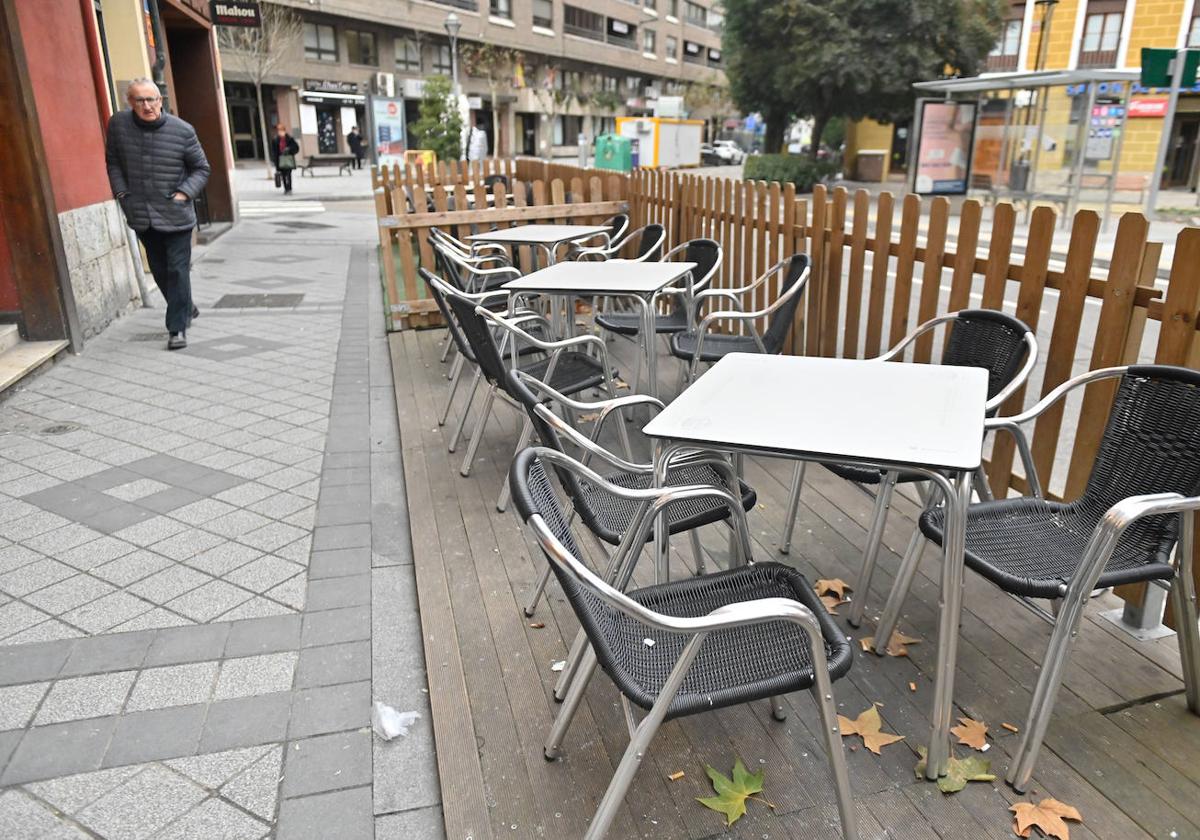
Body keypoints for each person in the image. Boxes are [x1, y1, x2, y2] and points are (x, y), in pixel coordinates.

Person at [105, 78, 209, 351]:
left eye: (152, 99)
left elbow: (201, 168)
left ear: (160, 101)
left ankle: (177, 329)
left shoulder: (183, 130)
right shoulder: (118, 125)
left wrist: (184, 194)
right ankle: (186, 306)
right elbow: (113, 161)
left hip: (175, 213)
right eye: (140, 100)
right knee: (161, 271)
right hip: (141, 213)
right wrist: (122, 194)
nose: (147, 106)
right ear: (131, 103)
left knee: (177, 269)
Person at [269, 124, 299, 194]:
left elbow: (296, 148)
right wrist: (274, 160)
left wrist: (289, 149)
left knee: (288, 174)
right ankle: (286, 188)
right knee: (283, 175)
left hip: (288, 159)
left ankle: (289, 188)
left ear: (284, 131)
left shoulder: (289, 139)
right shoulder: (275, 140)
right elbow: (274, 151)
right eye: (279, 131)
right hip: (280, 160)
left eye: (281, 131)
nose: (280, 132)